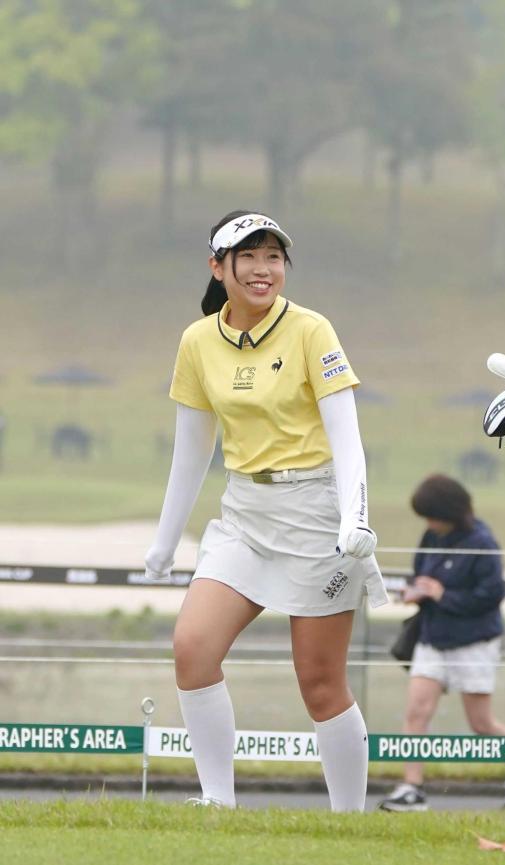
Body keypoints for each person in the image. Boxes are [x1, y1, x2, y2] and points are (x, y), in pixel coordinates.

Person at [145, 210, 388, 811]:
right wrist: (165, 539)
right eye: (247, 257)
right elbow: (192, 450)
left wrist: (355, 517)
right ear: (217, 267)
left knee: (320, 683)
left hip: (317, 512)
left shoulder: (311, 330)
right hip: (244, 515)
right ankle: (218, 804)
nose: (262, 269)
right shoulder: (198, 341)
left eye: (273, 257)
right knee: (192, 648)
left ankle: (349, 823)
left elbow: (348, 437)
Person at [379, 474, 505, 812]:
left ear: (449, 511)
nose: (428, 523)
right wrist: (418, 592)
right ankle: (413, 788)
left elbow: (490, 596)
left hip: (474, 642)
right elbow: (421, 573)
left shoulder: (482, 542)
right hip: (432, 638)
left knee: (481, 724)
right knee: (416, 713)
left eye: (431, 515)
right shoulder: (431, 536)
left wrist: (443, 595)